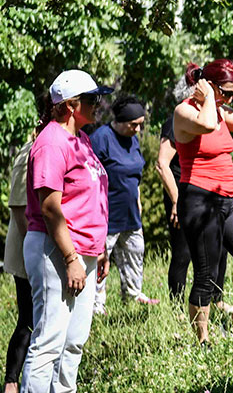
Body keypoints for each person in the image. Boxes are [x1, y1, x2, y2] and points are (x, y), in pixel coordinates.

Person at [20, 70, 112, 393]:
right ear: (72, 105)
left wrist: (98, 250)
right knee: (49, 342)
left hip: (83, 252)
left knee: (74, 342)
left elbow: (89, 199)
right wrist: (72, 256)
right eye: (93, 99)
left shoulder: (82, 141)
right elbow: (50, 208)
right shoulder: (51, 142)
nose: (98, 105)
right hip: (55, 249)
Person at [173, 59, 233, 343]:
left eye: (232, 93)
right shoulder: (184, 112)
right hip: (200, 200)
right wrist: (211, 98)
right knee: (207, 274)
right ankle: (202, 341)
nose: (229, 98)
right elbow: (206, 124)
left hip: (227, 199)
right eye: (224, 91)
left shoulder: (222, 111)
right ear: (208, 86)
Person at [155, 79, 228, 304]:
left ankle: (216, 298)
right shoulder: (175, 121)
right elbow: (161, 164)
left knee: (219, 247)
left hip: (206, 192)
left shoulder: (209, 118)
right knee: (183, 251)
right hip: (183, 193)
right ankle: (176, 304)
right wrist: (177, 200)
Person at [92, 97, 158, 314]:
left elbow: (135, 175)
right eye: (133, 124)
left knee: (135, 251)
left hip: (130, 213)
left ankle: (132, 294)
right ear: (119, 121)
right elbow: (89, 178)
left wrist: (137, 200)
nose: (138, 129)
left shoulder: (133, 139)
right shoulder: (101, 139)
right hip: (105, 214)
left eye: (141, 124)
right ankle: (95, 305)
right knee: (101, 259)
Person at [2, 139, 33, 393]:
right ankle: (11, 382)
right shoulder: (30, 150)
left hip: (50, 247)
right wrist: (33, 252)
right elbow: (19, 206)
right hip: (28, 251)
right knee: (28, 320)